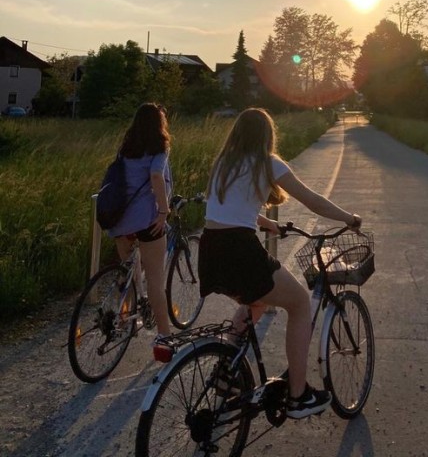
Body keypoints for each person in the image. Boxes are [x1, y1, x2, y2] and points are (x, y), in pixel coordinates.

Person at [198, 107, 362, 419]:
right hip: (240, 250)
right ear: (267, 136)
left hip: (211, 250)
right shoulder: (267, 163)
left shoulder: (225, 162)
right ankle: (299, 396)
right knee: (299, 303)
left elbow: (226, 209)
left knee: (254, 299)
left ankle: (226, 370)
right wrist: (348, 218)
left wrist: (265, 222)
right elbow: (311, 200)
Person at [108, 102, 173, 360]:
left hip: (120, 219)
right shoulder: (160, 147)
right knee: (156, 280)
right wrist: (163, 211)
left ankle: (125, 319)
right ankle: (165, 337)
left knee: (128, 273)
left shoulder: (126, 148)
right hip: (147, 220)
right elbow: (157, 175)